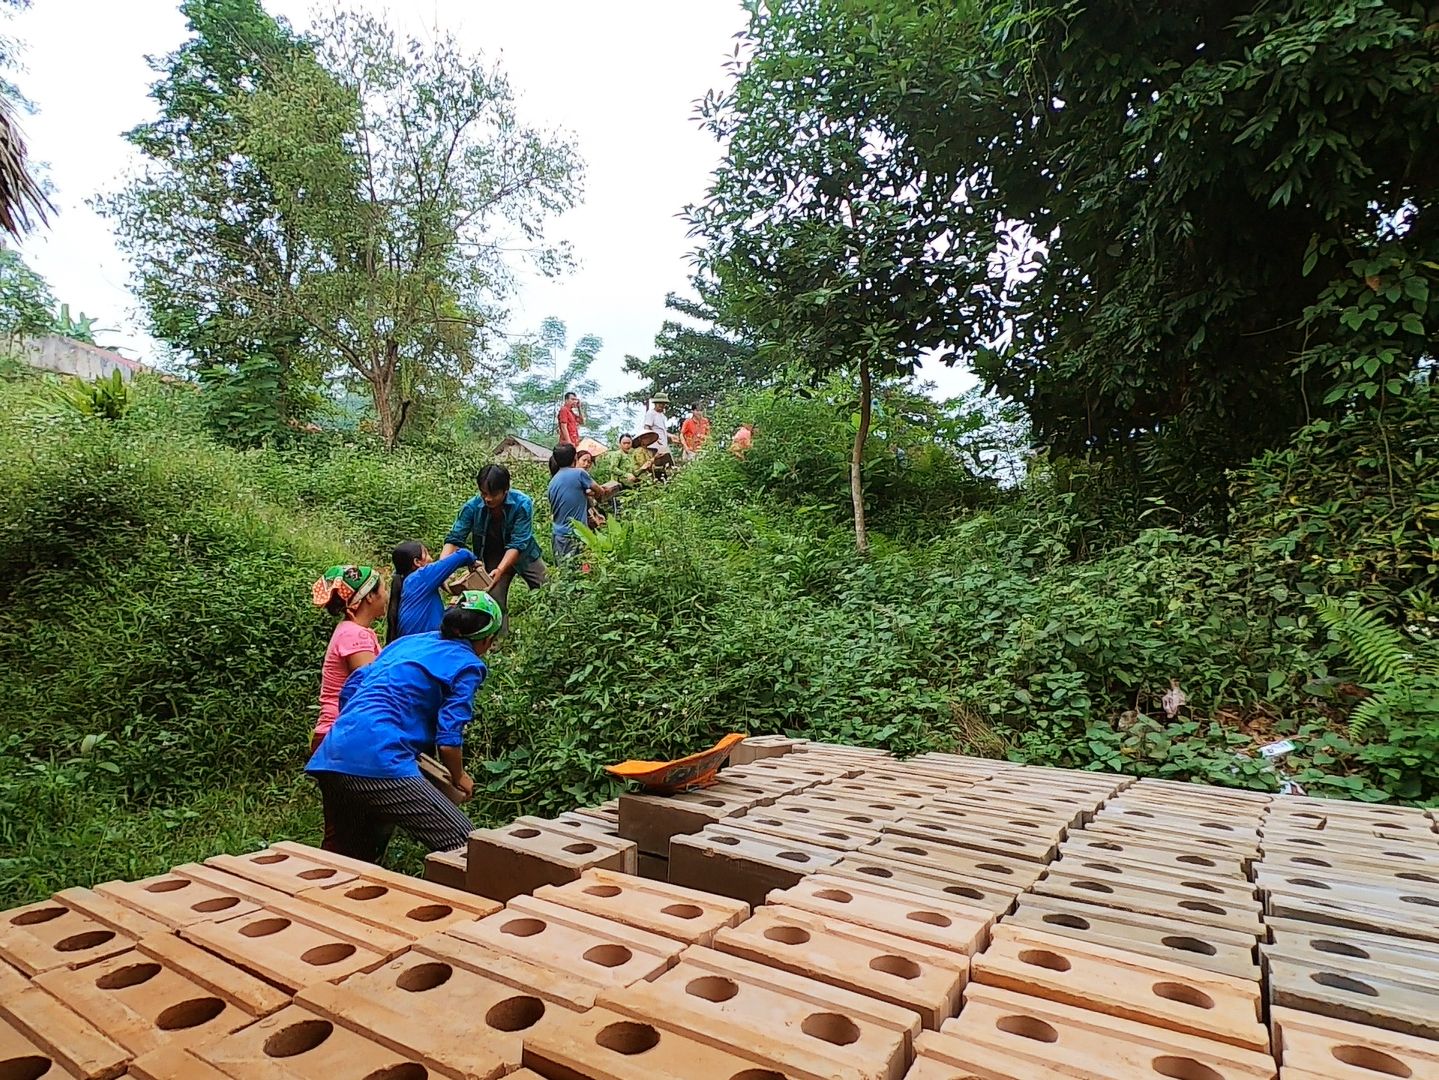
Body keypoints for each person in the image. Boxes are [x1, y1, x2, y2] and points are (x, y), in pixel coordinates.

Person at [305, 591, 504, 863]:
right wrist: (459, 776)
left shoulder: (407, 643)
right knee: (467, 847)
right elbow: (448, 740)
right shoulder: (468, 665)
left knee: (348, 858)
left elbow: (353, 686)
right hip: (381, 759)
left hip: (333, 752)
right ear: (485, 639)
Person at [310, 565, 388, 851]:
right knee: (347, 836)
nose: (387, 594)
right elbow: (373, 689)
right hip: (342, 740)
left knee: (350, 829)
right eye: (383, 589)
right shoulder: (355, 636)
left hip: (336, 737)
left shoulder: (352, 632)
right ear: (369, 598)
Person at [443, 464, 546, 628]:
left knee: (547, 589)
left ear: (505, 490)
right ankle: (498, 638)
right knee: (494, 601)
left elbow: (518, 543)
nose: (488, 499)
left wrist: (501, 569)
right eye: (484, 493)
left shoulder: (522, 504)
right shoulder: (472, 507)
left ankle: (550, 629)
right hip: (492, 556)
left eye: (493, 494)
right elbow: (455, 538)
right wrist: (442, 567)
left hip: (525, 555)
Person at [388, 541, 477, 641]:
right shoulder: (420, 577)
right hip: (424, 644)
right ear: (417, 562)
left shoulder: (407, 584)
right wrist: (474, 562)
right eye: (426, 554)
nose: (431, 559)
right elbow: (463, 555)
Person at [547, 443, 622, 561]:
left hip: (558, 535)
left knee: (563, 568)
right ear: (575, 458)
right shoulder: (579, 473)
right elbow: (599, 491)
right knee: (582, 566)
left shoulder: (553, 482)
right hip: (577, 534)